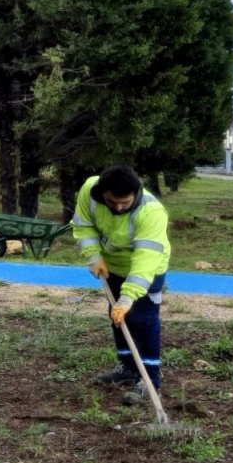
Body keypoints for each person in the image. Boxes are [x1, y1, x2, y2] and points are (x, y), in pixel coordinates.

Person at [72, 165, 172, 405]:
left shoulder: (152, 212)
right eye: (111, 201)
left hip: (147, 270)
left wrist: (128, 298)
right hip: (111, 266)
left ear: (136, 192)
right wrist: (93, 255)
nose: (117, 208)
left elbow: (145, 260)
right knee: (117, 317)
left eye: (124, 203)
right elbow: (83, 224)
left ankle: (149, 380)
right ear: (101, 191)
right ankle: (127, 368)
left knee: (143, 319)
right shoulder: (90, 191)